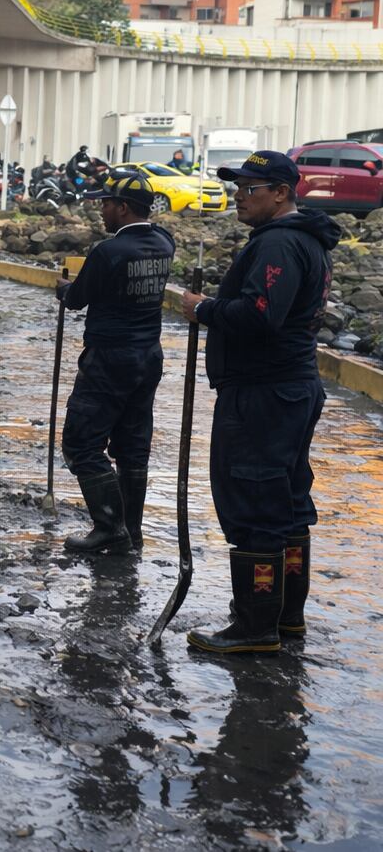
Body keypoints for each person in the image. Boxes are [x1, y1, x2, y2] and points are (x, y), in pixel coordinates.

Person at [178, 149, 340, 654]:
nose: (239, 198)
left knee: (254, 500)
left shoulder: (280, 245)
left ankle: (255, 626)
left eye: (250, 189)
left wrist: (204, 308)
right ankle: (285, 616)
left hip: (265, 393)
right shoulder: (298, 241)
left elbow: (260, 315)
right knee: (286, 501)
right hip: (288, 387)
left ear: (282, 193)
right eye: (237, 188)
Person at [56, 167, 175, 554]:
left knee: (81, 443)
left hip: (109, 359)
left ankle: (109, 527)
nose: (101, 211)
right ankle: (132, 532)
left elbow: (77, 299)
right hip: (148, 356)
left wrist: (64, 288)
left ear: (123, 208)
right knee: (132, 445)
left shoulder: (108, 251)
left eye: (105, 204)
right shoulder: (164, 243)